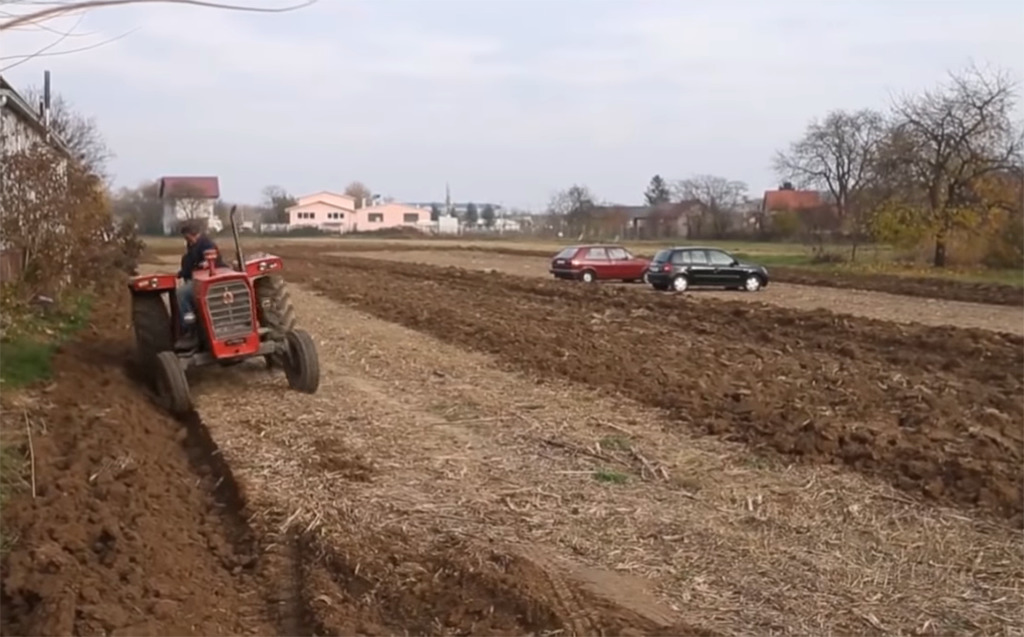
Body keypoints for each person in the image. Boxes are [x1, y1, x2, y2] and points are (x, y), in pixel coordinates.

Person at [175, 220, 225, 349]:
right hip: (199, 278)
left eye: (187, 237)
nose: (187, 240)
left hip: (208, 281)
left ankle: (189, 329)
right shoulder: (192, 246)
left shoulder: (206, 244)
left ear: (192, 234)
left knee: (181, 293)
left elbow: (213, 260)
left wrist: (206, 264)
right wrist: (180, 273)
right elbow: (190, 264)